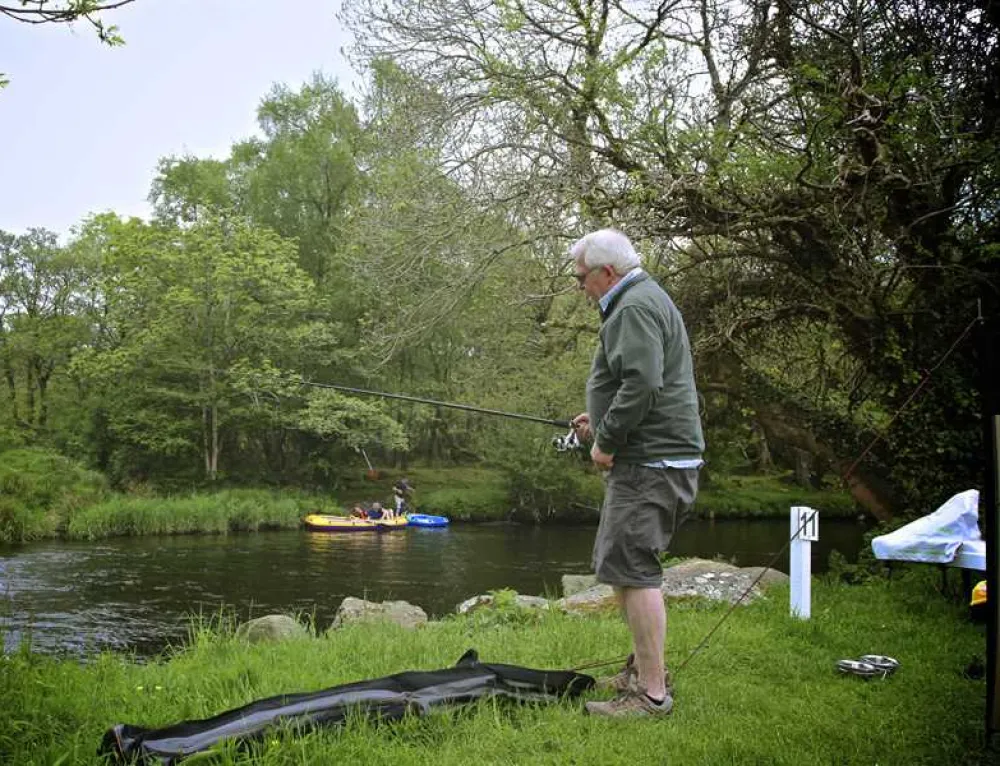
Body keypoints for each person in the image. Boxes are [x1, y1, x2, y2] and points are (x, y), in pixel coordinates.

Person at [569, 229, 704, 718]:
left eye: (582, 278)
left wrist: (607, 441)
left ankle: (650, 695)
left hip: (650, 464)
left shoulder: (631, 307)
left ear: (607, 273)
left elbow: (643, 382)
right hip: (654, 459)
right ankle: (643, 671)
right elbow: (642, 381)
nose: (580, 286)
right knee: (625, 567)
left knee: (635, 570)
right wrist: (599, 421)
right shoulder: (644, 297)